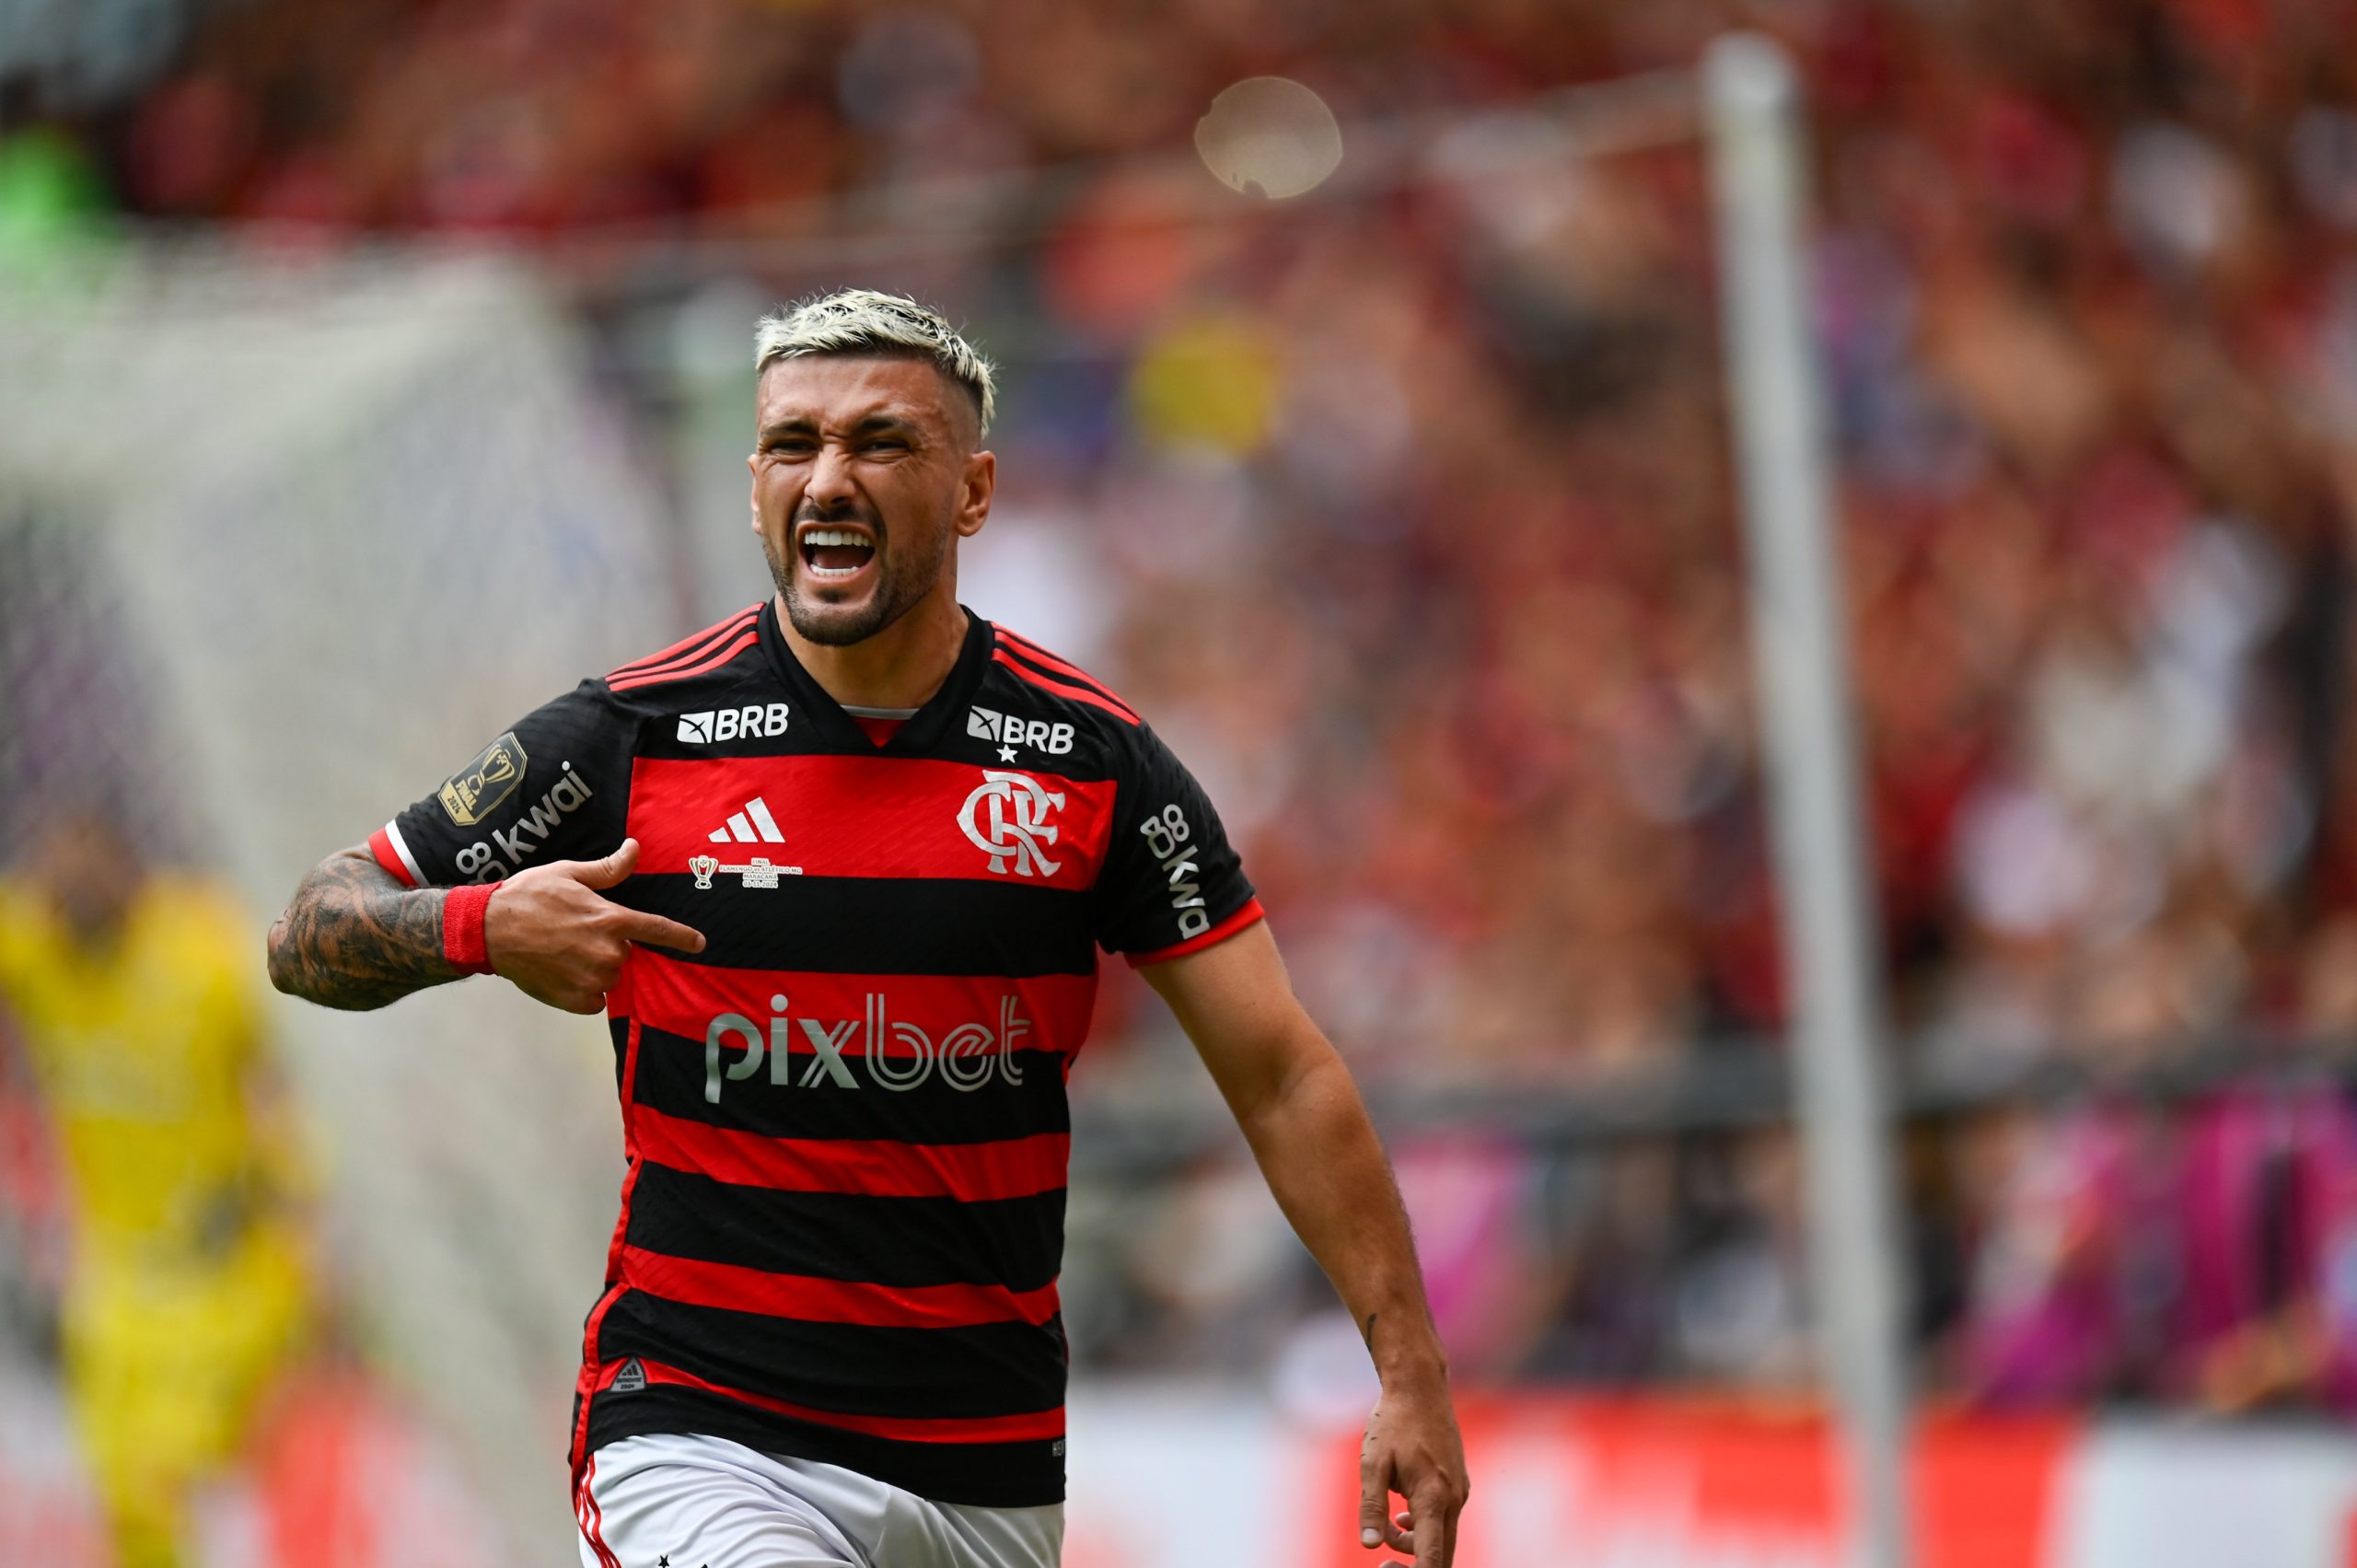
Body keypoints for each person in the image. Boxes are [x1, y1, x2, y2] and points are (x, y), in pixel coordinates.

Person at [265, 289, 1468, 1568]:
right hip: (702, 1429)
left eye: (881, 442)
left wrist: (1408, 1371)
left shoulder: (1092, 764)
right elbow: (310, 927)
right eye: (793, 444)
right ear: (755, 485)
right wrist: (477, 922)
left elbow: (1281, 1072)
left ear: (973, 490)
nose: (828, 479)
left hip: (986, 1467)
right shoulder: (631, 736)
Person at [0, 807, 313, 1568]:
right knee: (130, 1511)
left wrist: (298, 1189)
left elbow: (289, 1076)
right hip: (113, 1284)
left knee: (177, 1479)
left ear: (129, 870)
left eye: (82, 866)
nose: (63, 889)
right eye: (49, 873)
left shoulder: (204, 953)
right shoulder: (37, 949)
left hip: (227, 1278)